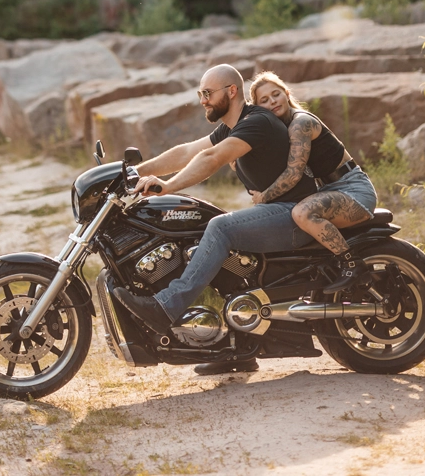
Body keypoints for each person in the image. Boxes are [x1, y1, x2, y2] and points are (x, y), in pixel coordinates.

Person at [113, 63, 317, 376]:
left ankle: (166, 307)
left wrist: (167, 186)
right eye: (200, 94)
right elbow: (187, 152)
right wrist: (132, 173)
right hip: (276, 211)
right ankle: (234, 346)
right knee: (201, 234)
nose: (203, 100)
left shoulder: (257, 121)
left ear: (231, 92)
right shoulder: (232, 125)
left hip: (292, 212)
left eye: (208, 93)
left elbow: (211, 159)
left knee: (220, 226)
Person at [249, 70, 378, 293]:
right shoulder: (280, 130)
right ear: (259, 108)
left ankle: (352, 264)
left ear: (286, 93)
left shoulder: (301, 123)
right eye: (264, 100)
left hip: (353, 190)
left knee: (302, 213)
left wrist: (263, 197)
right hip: (328, 190)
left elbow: (293, 174)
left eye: (276, 94)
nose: (272, 101)